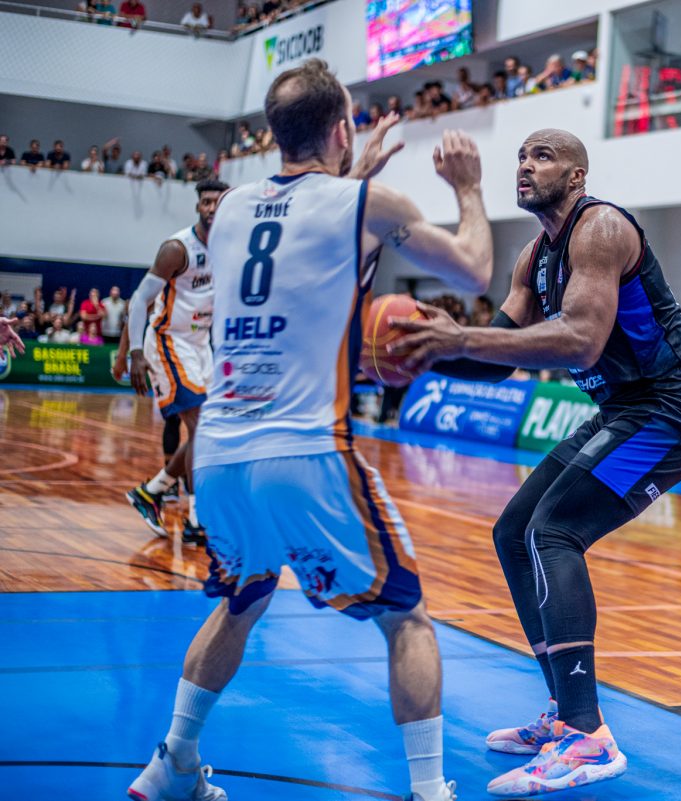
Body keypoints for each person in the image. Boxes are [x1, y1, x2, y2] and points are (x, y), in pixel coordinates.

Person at [125, 59, 490, 801]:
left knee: (243, 599)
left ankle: (172, 762)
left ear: (271, 133)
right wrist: (468, 188)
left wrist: (358, 169)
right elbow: (474, 273)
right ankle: (430, 790)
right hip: (307, 449)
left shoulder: (231, 209)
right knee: (408, 618)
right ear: (342, 129)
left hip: (221, 452)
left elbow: (305, 212)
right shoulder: (369, 203)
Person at [389, 128, 681, 796]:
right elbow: (500, 354)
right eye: (521, 155)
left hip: (674, 410)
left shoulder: (600, 229)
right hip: (626, 408)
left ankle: (588, 735)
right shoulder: (534, 256)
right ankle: (564, 711)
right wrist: (423, 352)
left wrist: (458, 335)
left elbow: (580, 341)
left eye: (542, 156)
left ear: (576, 176)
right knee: (514, 531)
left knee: (554, 530)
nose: (525, 165)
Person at [117, 179, 228, 546]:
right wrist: (133, 353)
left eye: (218, 202)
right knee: (201, 428)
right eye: (206, 202)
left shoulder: (230, 246)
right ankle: (197, 519)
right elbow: (139, 301)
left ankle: (151, 492)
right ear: (198, 206)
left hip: (201, 345)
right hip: (168, 341)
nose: (212, 208)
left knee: (207, 431)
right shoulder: (177, 249)